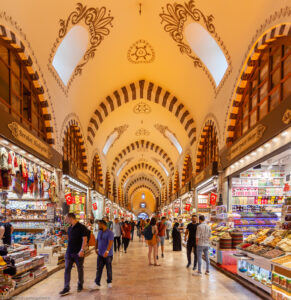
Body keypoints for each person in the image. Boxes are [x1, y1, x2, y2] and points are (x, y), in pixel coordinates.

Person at [59, 213, 88, 296]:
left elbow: (84, 239)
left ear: (70, 218)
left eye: (66, 218)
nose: (65, 220)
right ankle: (66, 287)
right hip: (69, 252)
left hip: (78, 252)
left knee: (79, 269)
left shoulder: (81, 227)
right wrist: (64, 239)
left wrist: (82, 250)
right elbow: (71, 238)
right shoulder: (70, 228)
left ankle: (80, 284)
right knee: (67, 269)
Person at [92, 219, 114, 289]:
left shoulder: (110, 232)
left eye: (99, 224)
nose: (98, 225)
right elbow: (97, 240)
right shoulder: (99, 232)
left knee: (108, 268)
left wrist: (107, 251)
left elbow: (110, 242)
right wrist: (96, 248)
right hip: (100, 254)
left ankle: (109, 282)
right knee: (99, 269)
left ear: (103, 224)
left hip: (108, 255)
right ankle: (97, 283)